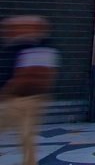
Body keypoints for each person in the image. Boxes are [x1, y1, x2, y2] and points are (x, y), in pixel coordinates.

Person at [0, 16, 59, 165]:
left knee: (27, 135)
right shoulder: (22, 46)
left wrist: (7, 92)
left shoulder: (35, 49)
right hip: (28, 99)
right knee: (27, 136)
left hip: (20, 99)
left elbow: (27, 75)